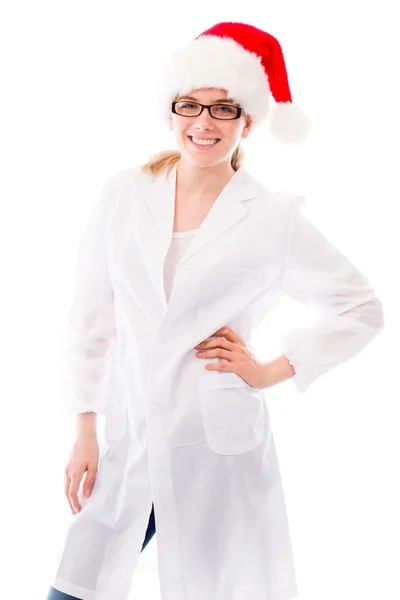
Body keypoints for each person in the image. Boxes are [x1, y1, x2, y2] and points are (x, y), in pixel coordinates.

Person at [46, 21, 384, 600]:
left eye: (223, 109)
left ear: (247, 122)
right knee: (79, 584)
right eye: (191, 106)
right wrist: (84, 428)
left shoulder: (272, 218)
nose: (204, 123)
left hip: (215, 442)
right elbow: (90, 317)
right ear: (171, 112)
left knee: (217, 588)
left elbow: (360, 307)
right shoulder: (123, 195)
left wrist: (270, 369)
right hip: (133, 441)